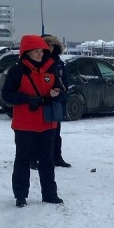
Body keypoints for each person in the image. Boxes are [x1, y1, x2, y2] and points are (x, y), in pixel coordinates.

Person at [1, 35, 64, 207]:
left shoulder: (51, 68)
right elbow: (7, 95)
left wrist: (55, 93)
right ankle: (20, 195)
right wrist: (28, 99)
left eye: (41, 51)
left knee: (47, 160)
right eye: (36, 52)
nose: (40, 55)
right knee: (23, 159)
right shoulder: (17, 71)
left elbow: (60, 88)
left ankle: (50, 194)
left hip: (47, 122)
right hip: (25, 123)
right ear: (26, 53)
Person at [43, 34, 71, 168]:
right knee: (38, 133)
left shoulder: (59, 63)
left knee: (56, 132)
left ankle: (57, 157)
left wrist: (61, 92)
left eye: (51, 44)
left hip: (56, 101)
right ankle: (34, 158)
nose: (49, 47)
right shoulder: (39, 61)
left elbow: (65, 81)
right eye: (46, 44)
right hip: (41, 101)